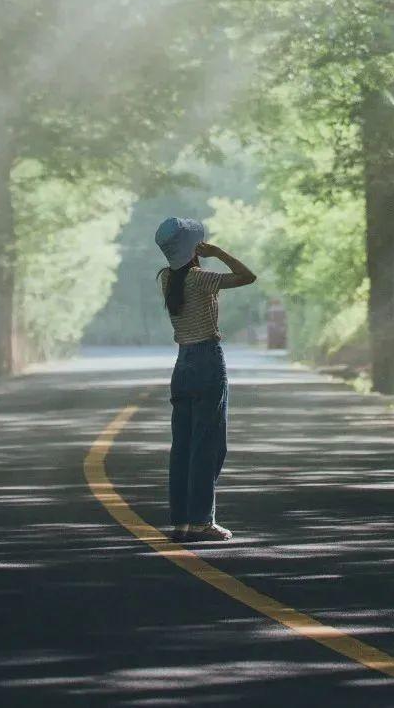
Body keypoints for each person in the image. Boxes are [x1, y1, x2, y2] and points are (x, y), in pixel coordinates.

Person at [154, 216, 256, 543]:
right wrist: (220, 252)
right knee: (208, 445)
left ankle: (182, 522)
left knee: (182, 445)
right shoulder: (201, 279)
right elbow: (247, 276)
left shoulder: (166, 278)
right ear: (194, 248)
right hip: (207, 361)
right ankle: (202, 522)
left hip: (182, 363)